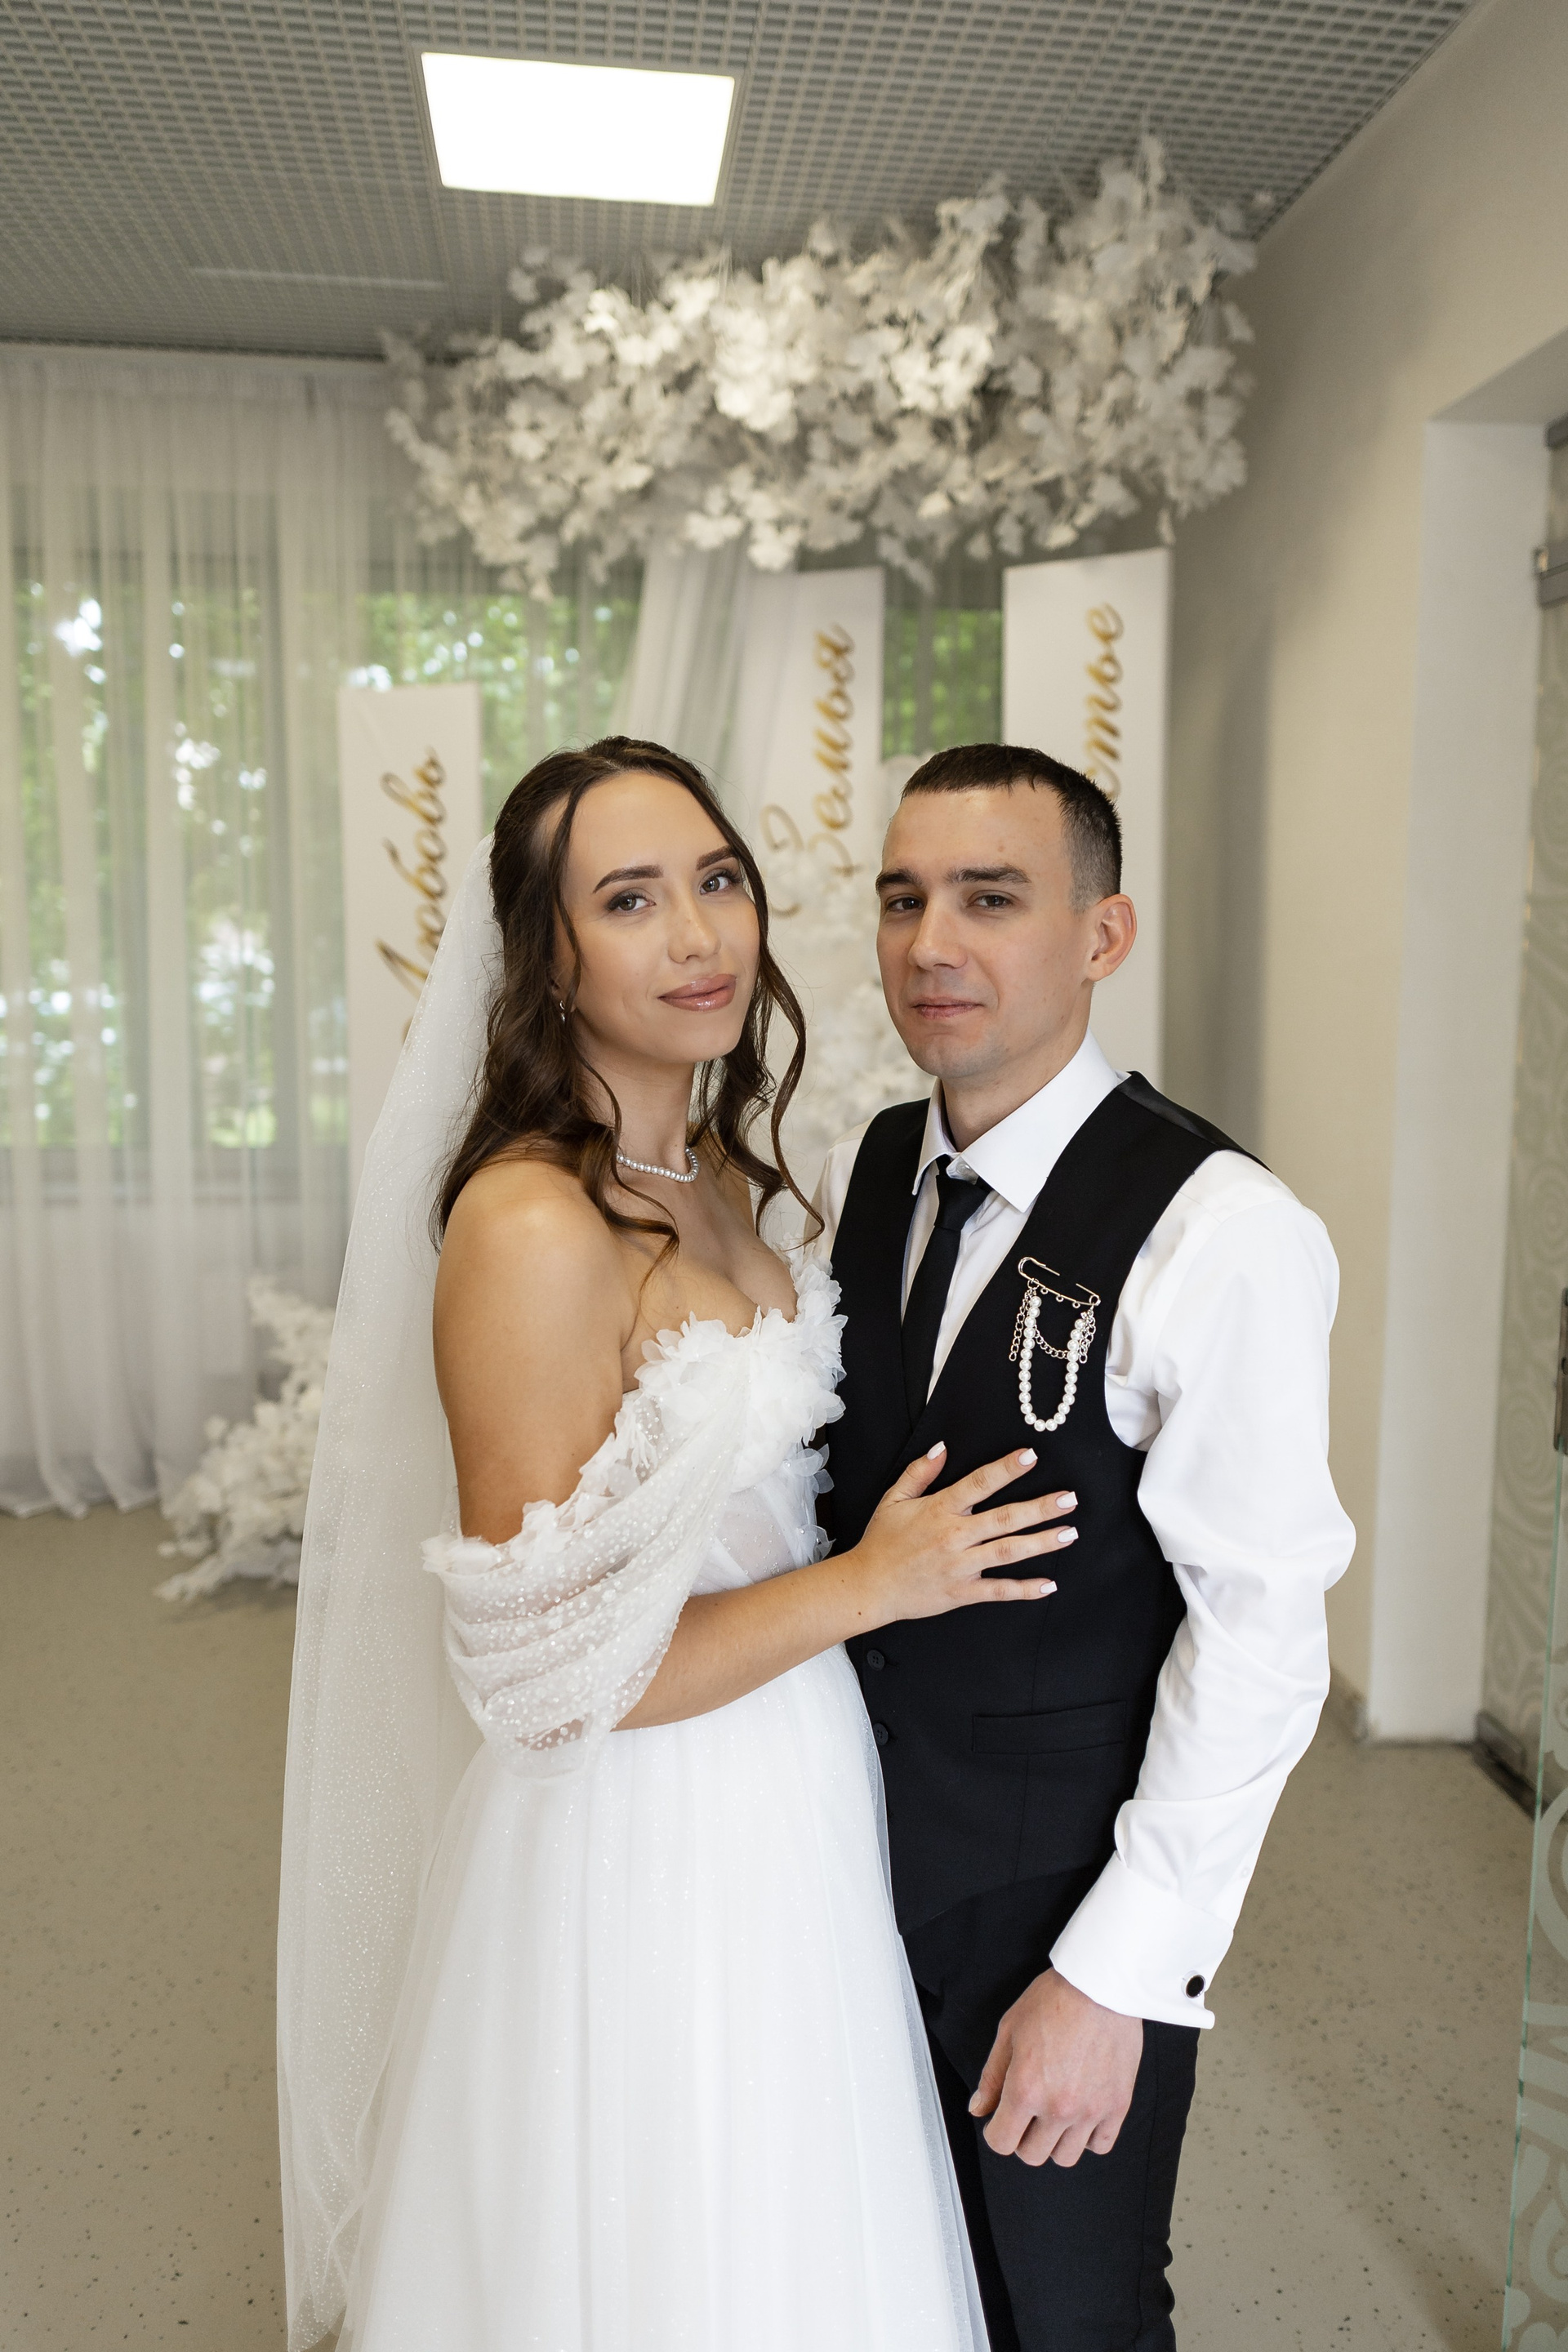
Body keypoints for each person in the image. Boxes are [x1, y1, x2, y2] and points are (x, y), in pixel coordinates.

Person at [277, 736, 1077, 2352]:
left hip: (793, 1778)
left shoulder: (711, 1174)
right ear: (548, 953)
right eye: (631, 900)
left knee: (799, 2210)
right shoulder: (528, 1224)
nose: (701, 936)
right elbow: (546, 1683)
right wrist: (870, 1585)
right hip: (642, 1829)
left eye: (718, 880)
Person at [814, 742, 1355, 2352]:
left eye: (991, 899)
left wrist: (1116, 1976)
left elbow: (1261, 1634)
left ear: (1102, 934)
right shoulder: (869, 1167)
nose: (932, 945)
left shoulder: (1222, 1231)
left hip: (1053, 1895)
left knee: (1067, 2315)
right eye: (903, 900)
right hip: (839, 1867)